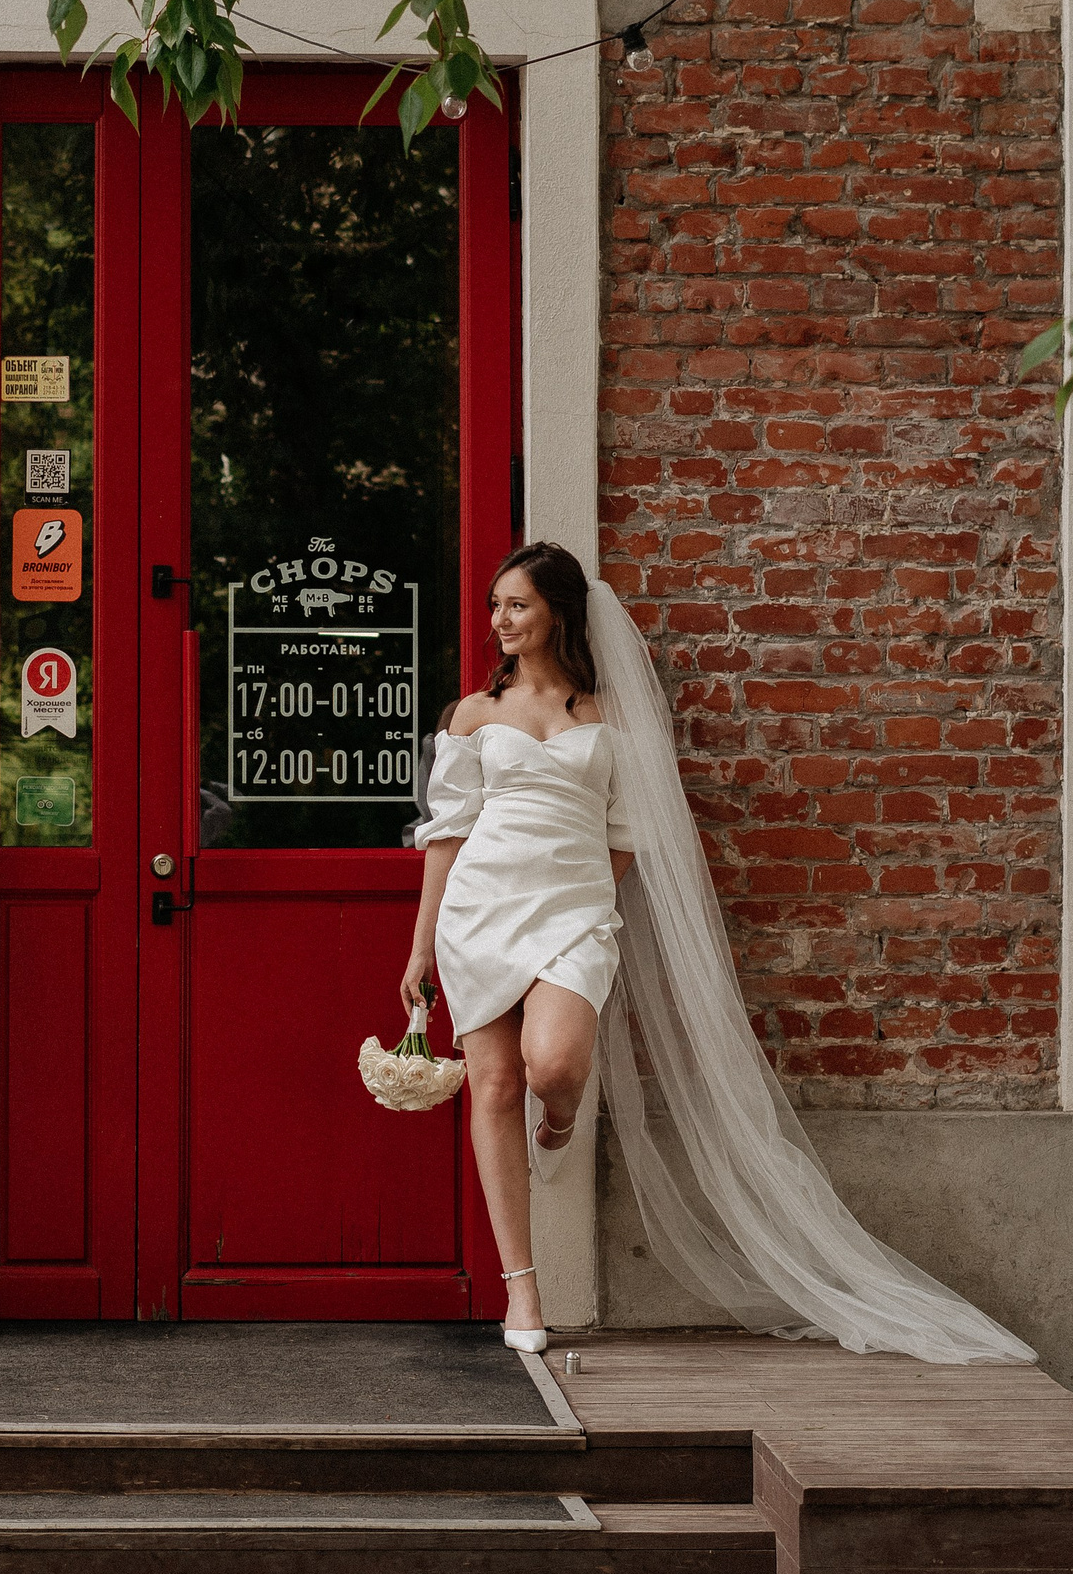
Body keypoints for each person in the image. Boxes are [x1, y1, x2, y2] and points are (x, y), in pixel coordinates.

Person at [403, 542, 1031, 1367]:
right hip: (479, 912)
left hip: (573, 915)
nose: (500, 621)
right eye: (496, 606)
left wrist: (584, 897)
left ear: (557, 611)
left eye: (516, 604)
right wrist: (421, 948)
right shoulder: (471, 716)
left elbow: (626, 834)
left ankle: (557, 1123)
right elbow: (448, 836)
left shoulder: (610, 715)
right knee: (493, 1087)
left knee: (554, 1066)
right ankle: (523, 1286)